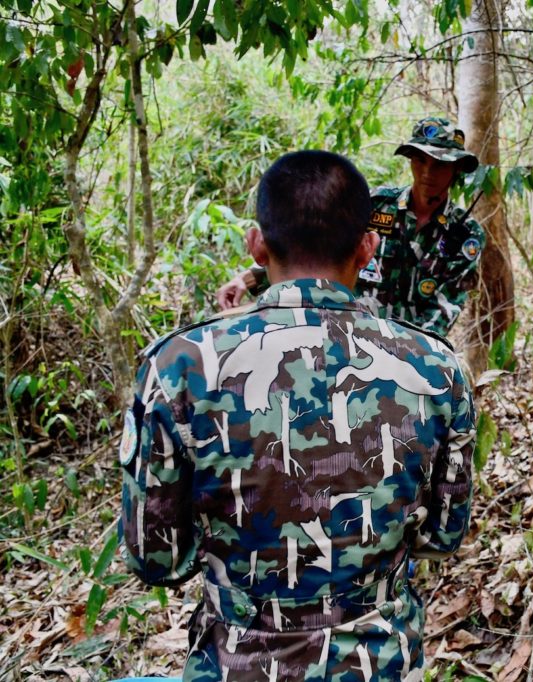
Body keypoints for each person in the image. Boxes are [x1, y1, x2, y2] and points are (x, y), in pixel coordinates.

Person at [119, 150, 475, 680]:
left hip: (235, 662)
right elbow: (443, 537)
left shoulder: (179, 366)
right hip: (380, 662)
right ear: (367, 249)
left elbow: (158, 559)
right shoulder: (437, 368)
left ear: (257, 245)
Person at [217, 117, 486, 337]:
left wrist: (410, 355)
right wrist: (247, 279)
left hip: (409, 352)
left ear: (456, 169)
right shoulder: (376, 204)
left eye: (440, 165)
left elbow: (446, 307)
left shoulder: (465, 234)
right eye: (420, 160)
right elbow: (312, 248)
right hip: (344, 334)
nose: (428, 172)